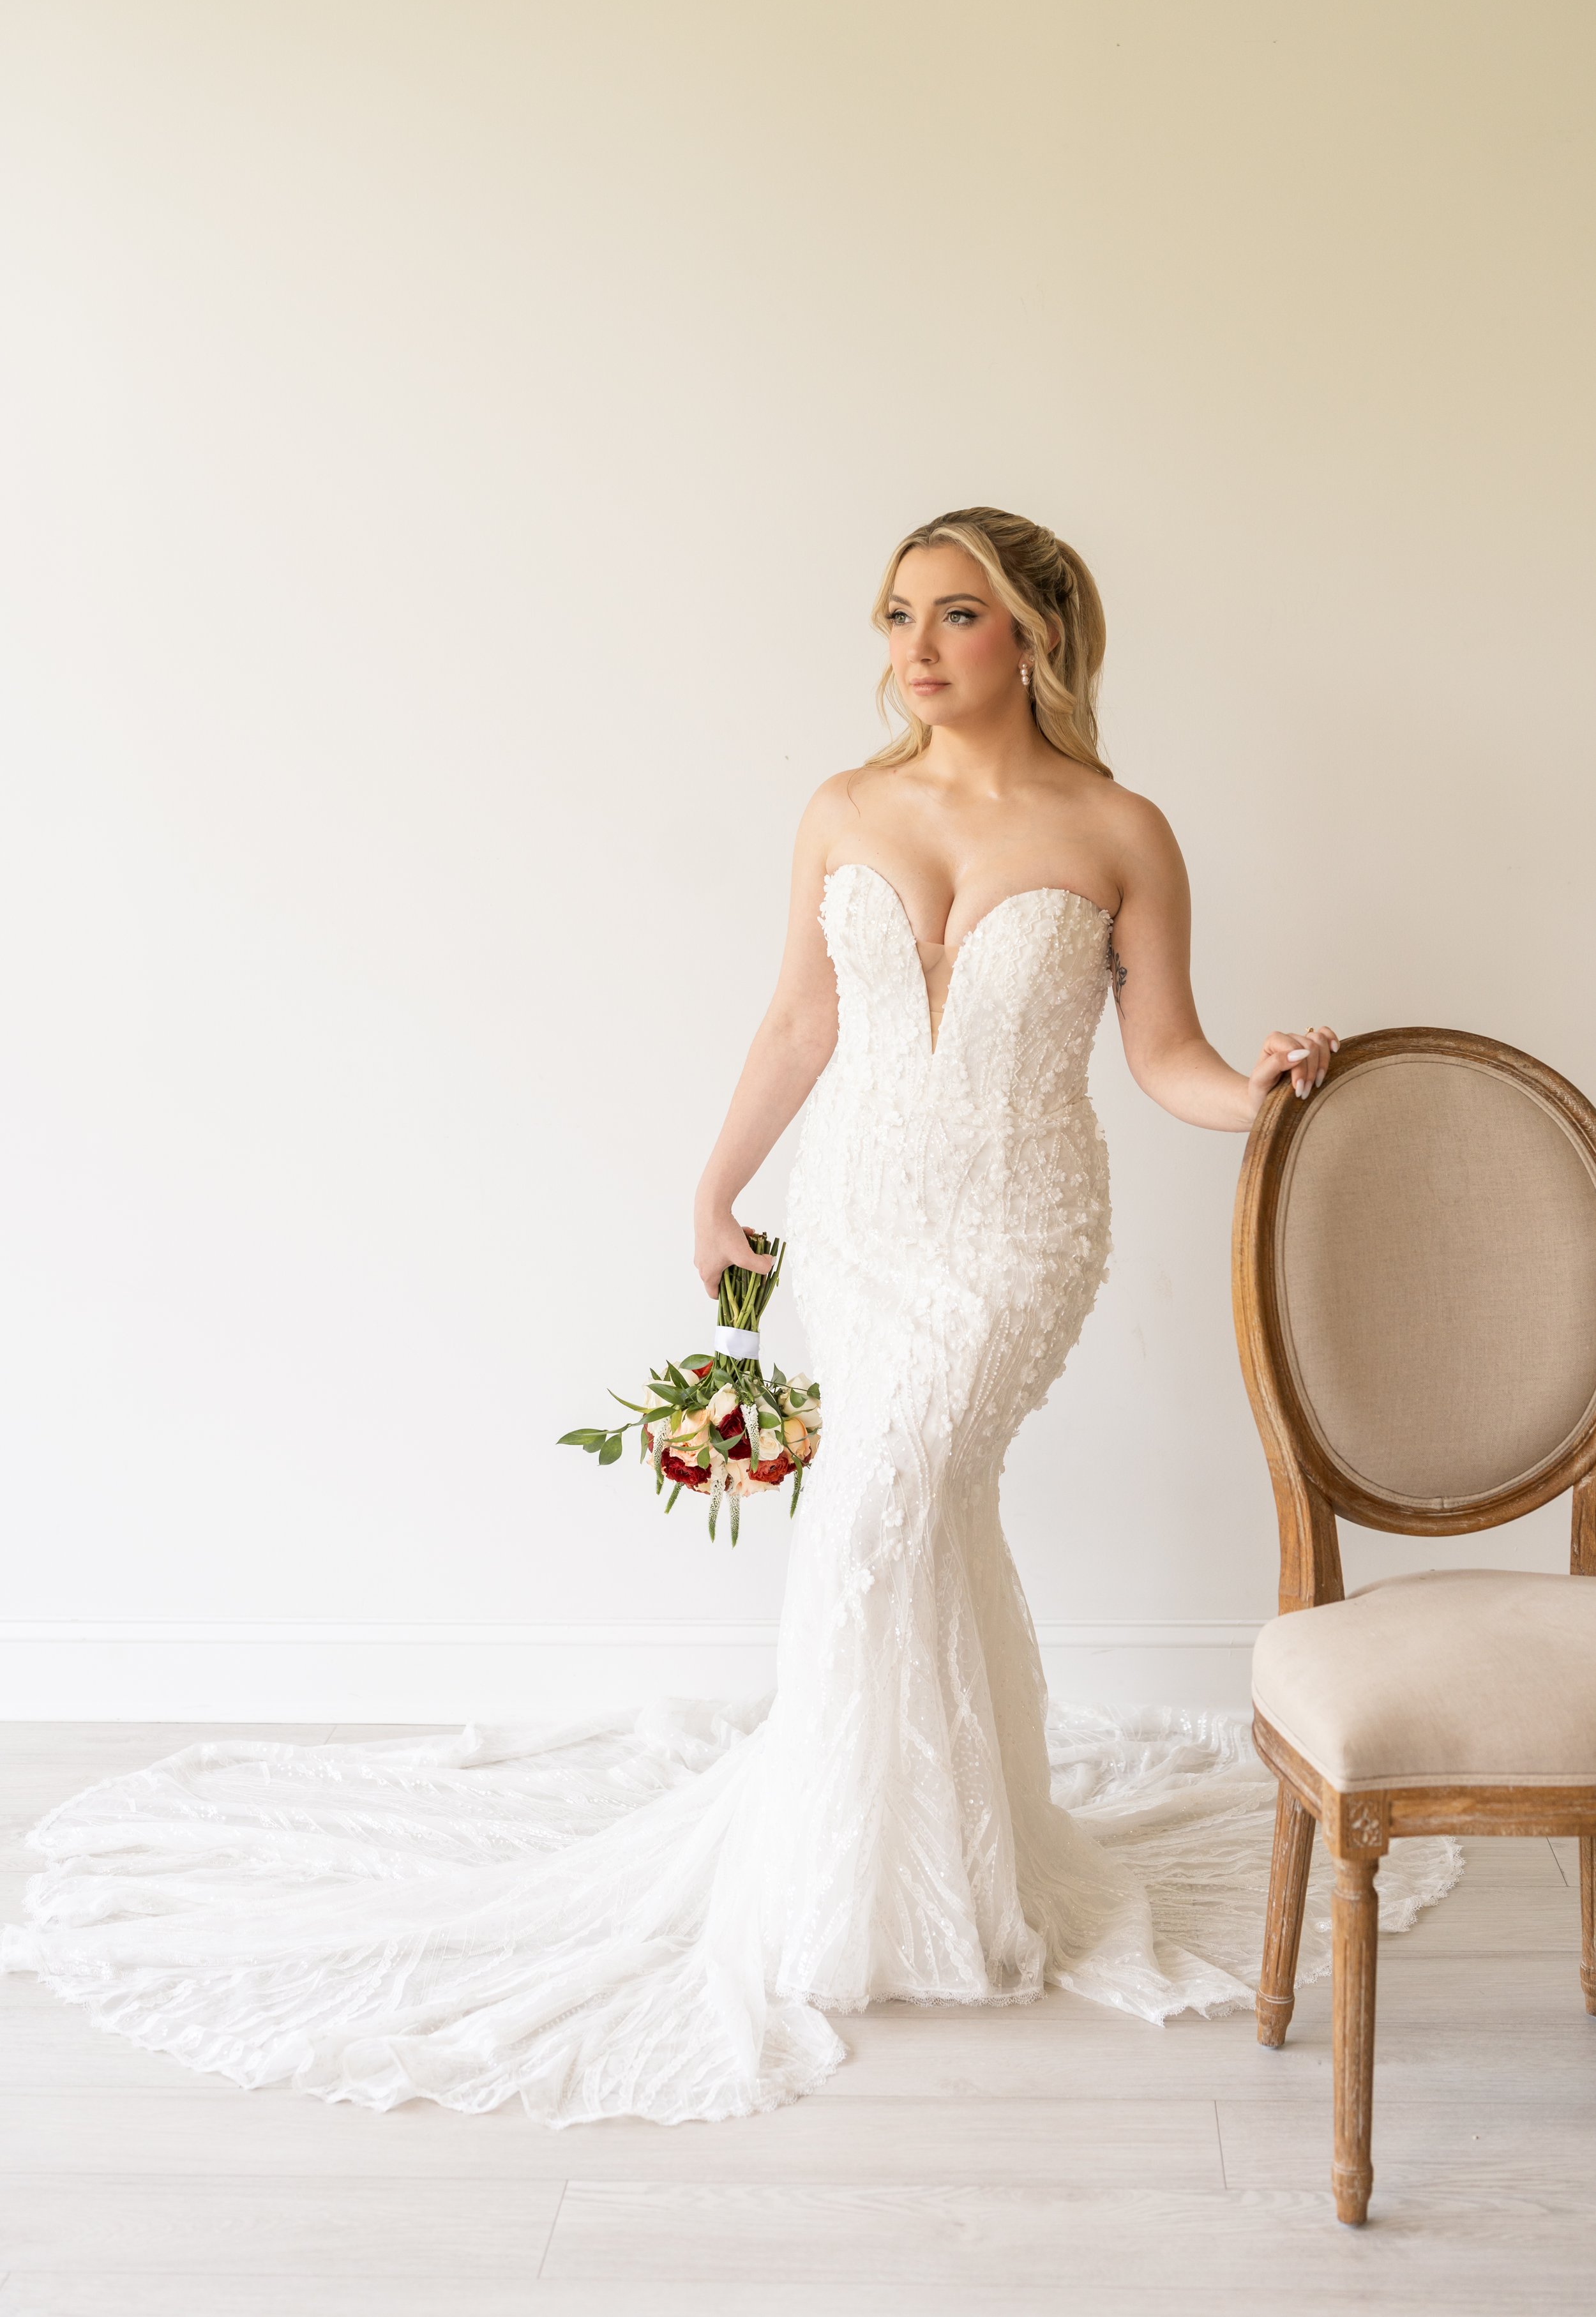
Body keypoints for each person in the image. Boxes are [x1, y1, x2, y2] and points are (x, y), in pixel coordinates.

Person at [3, 508, 1456, 2127]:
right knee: (911, 1525)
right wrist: (719, 1186)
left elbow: (1165, 1055)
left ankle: (841, 1888)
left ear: (1035, 636)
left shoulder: (1119, 828)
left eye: (955, 615)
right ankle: (929, 1868)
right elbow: (796, 1016)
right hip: (851, 1220)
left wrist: (1257, 1087)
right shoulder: (840, 809)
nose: (912, 647)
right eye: (896, 613)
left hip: (1014, 1232)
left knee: (874, 1515)